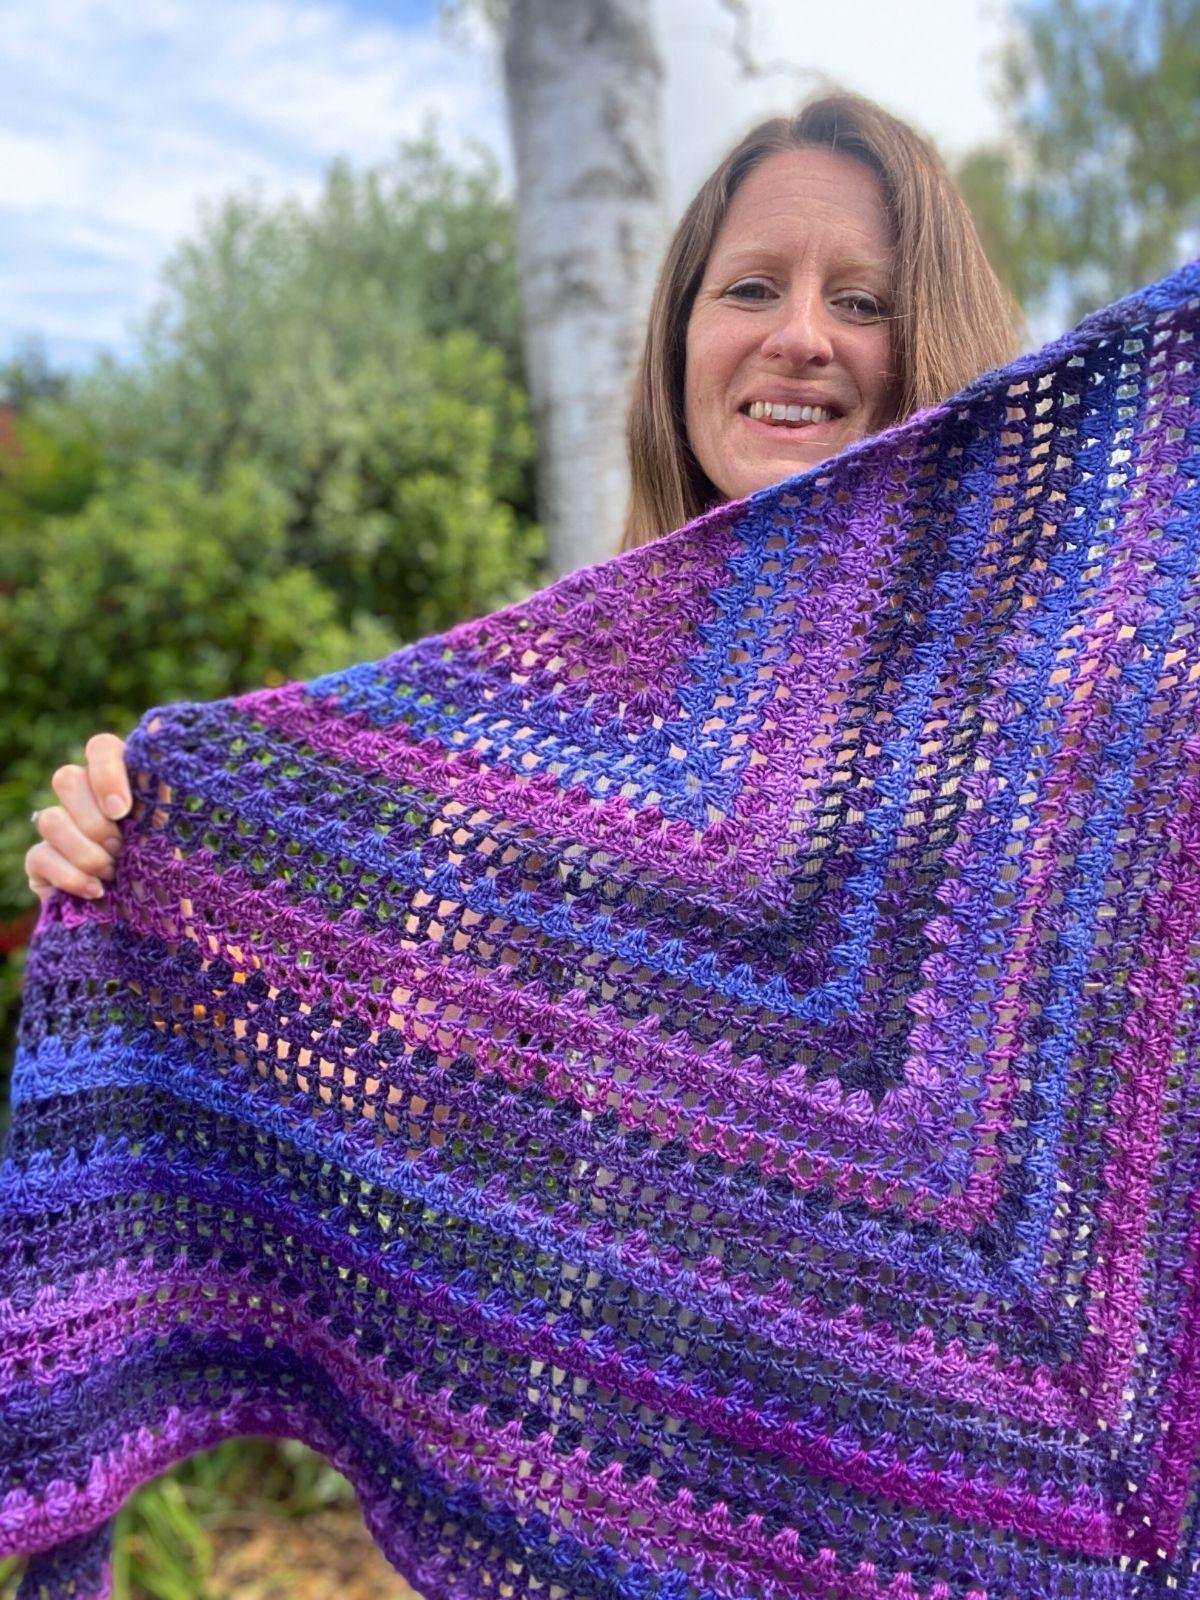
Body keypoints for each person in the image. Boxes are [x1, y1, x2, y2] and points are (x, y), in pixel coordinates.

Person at [24, 90, 1022, 905]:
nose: (800, 335)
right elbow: (406, 1055)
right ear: (681, 343)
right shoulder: (553, 735)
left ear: (938, 341)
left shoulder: (1067, 709)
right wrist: (153, 870)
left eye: (861, 301)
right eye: (752, 288)